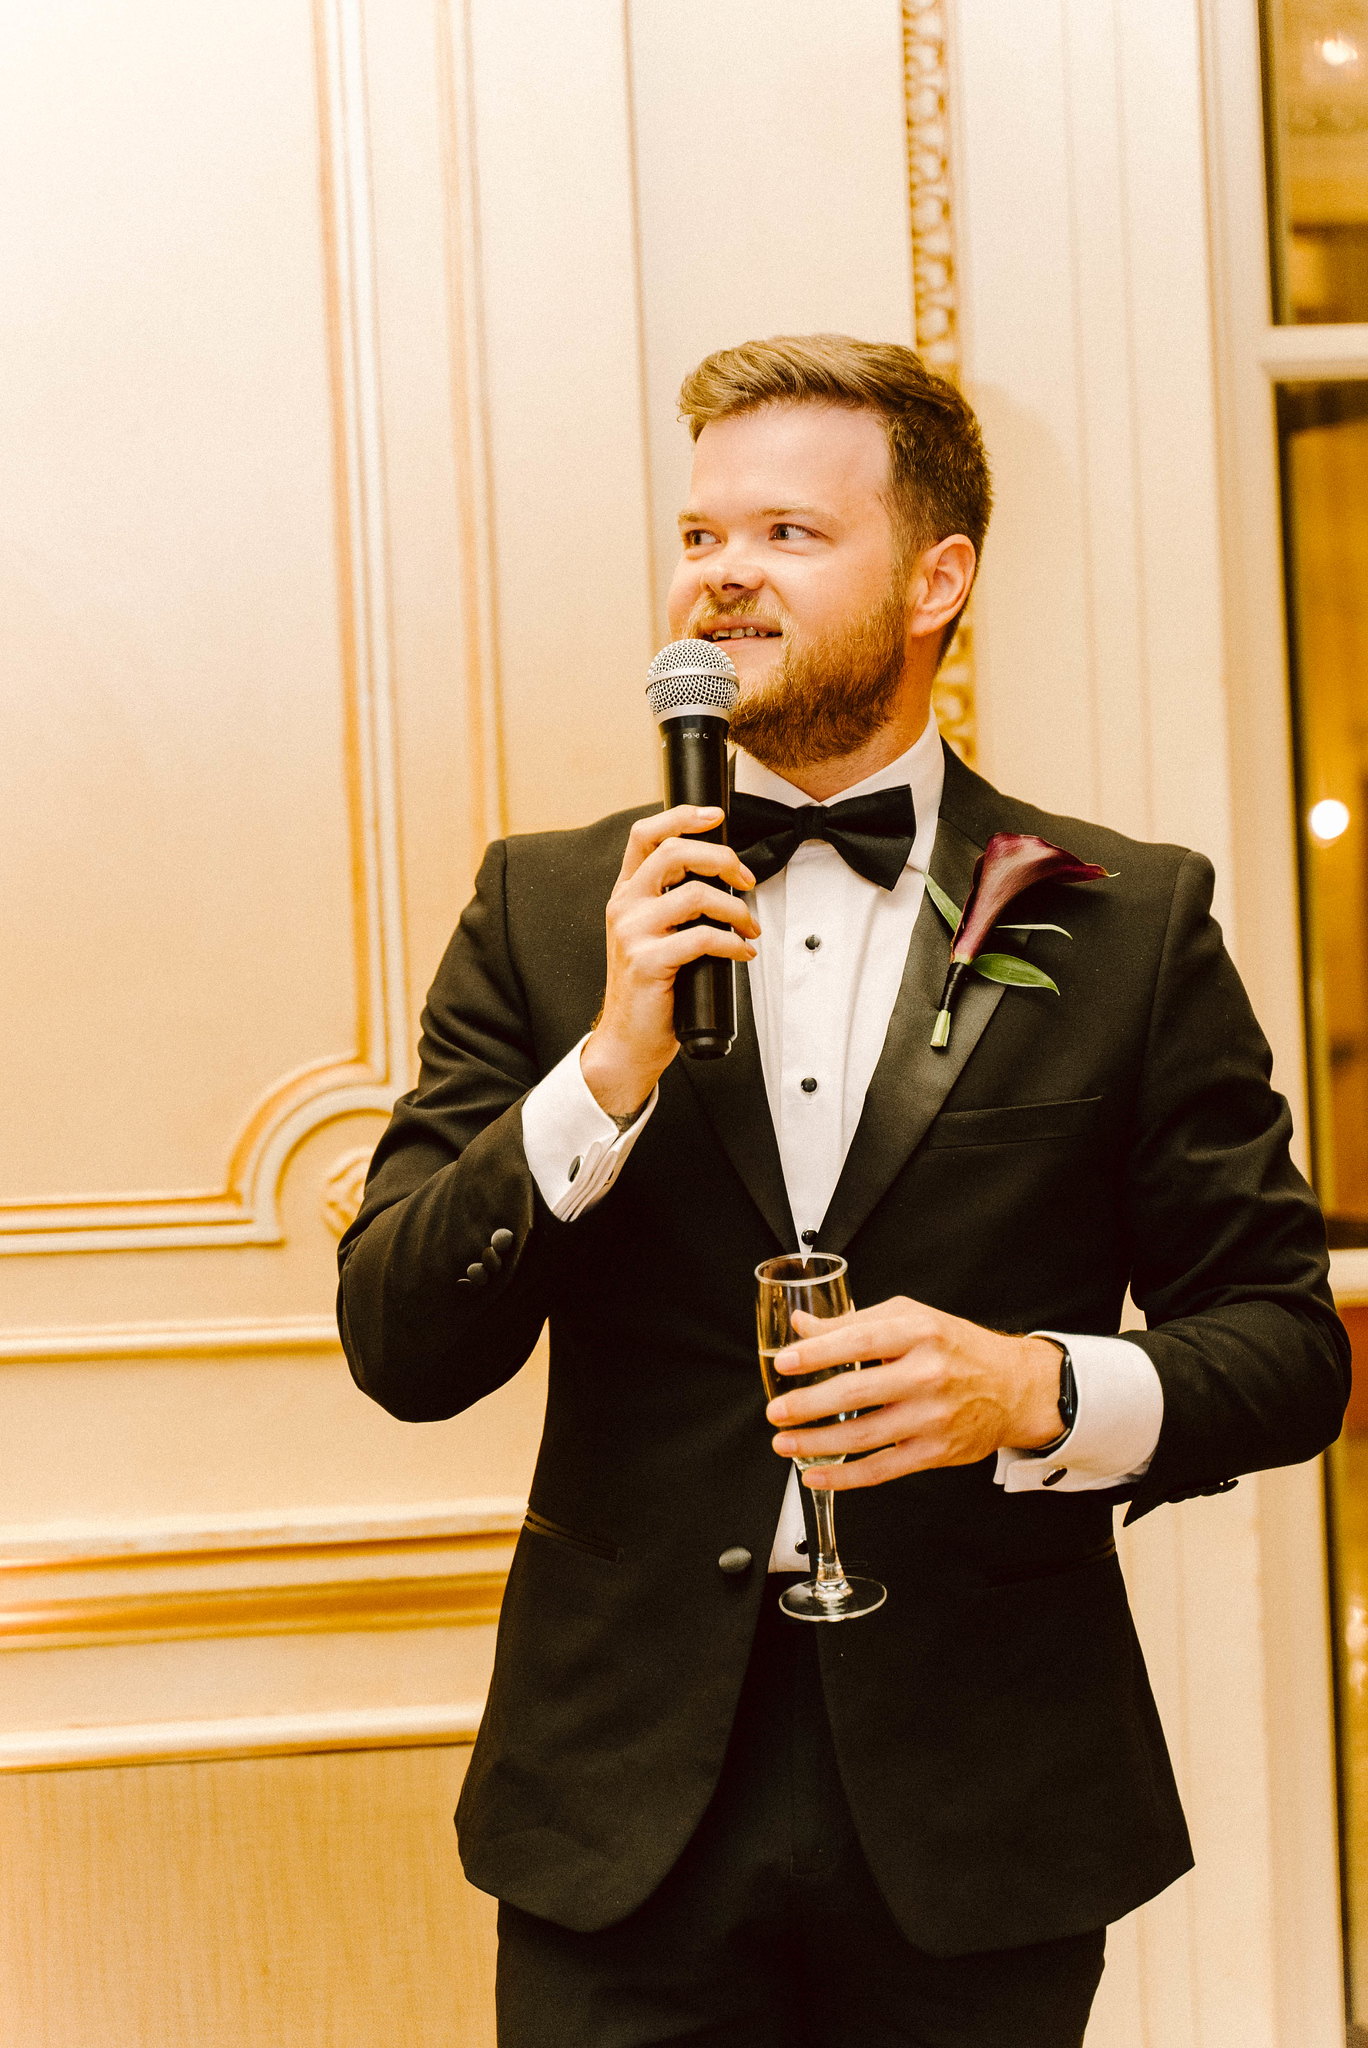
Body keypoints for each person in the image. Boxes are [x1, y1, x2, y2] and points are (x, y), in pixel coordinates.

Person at [338, 334, 1349, 2047]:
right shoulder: (543, 910)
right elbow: (399, 1342)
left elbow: (1285, 1349)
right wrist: (608, 1068)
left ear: (937, 580)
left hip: (984, 1804)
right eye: (701, 533)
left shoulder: (1124, 919)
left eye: (788, 533)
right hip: (619, 1810)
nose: (721, 572)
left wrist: (1033, 1390)